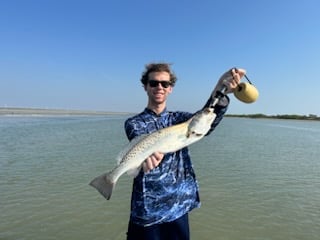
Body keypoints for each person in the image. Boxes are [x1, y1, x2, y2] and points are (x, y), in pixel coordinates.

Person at [125, 63, 244, 240]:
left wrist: (221, 88)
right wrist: (144, 160)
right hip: (147, 211)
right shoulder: (134, 123)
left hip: (178, 207)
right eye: (154, 83)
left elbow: (206, 118)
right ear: (145, 86)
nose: (159, 87)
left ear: (170, 88)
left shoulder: (180, 119)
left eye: (165, 84)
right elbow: (141, 142)